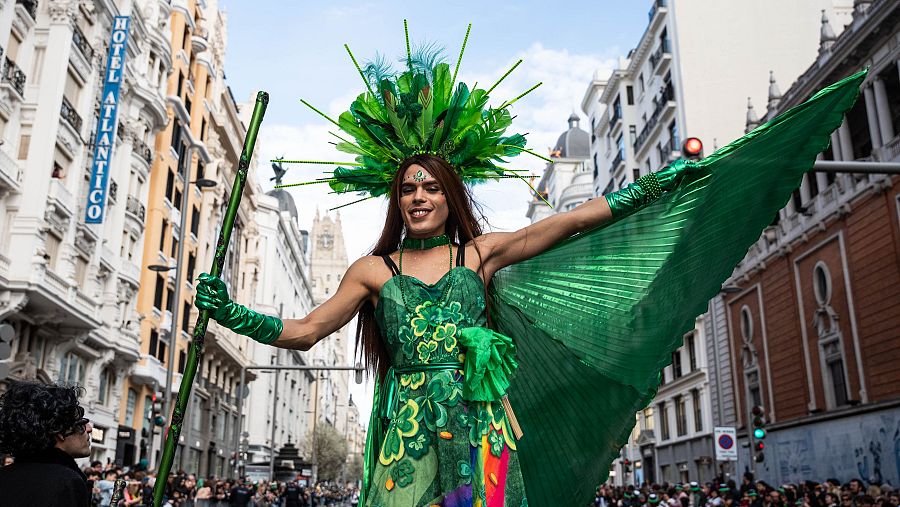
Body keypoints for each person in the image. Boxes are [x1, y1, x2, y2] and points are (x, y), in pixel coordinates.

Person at [193, 24, 866, 507]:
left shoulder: (478, 253)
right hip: (407, 436)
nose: (419, 197)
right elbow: (308, 331)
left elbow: (567, 220)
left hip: (482, 426)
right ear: (396, 199)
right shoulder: (374, 271)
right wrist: (231, 312)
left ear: (448, 195)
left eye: (431, 187)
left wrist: (656, 185)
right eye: (408, 188)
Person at [0, 380, 93, 506]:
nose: (89, 428)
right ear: (59, 431)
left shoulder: (4, 476)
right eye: (81, 425)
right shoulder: (67, 482)